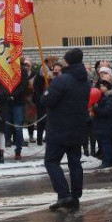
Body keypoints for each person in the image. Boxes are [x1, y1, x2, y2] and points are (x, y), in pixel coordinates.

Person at [41, 48, 90, 211]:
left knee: (51, 161)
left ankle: (63, 194)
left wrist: (47, 91)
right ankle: (75, 197)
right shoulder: (85, 80)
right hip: (77, 127)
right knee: (75, 163)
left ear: (67, 61)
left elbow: (47, 101)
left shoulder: (62, 80)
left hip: (59, 128)